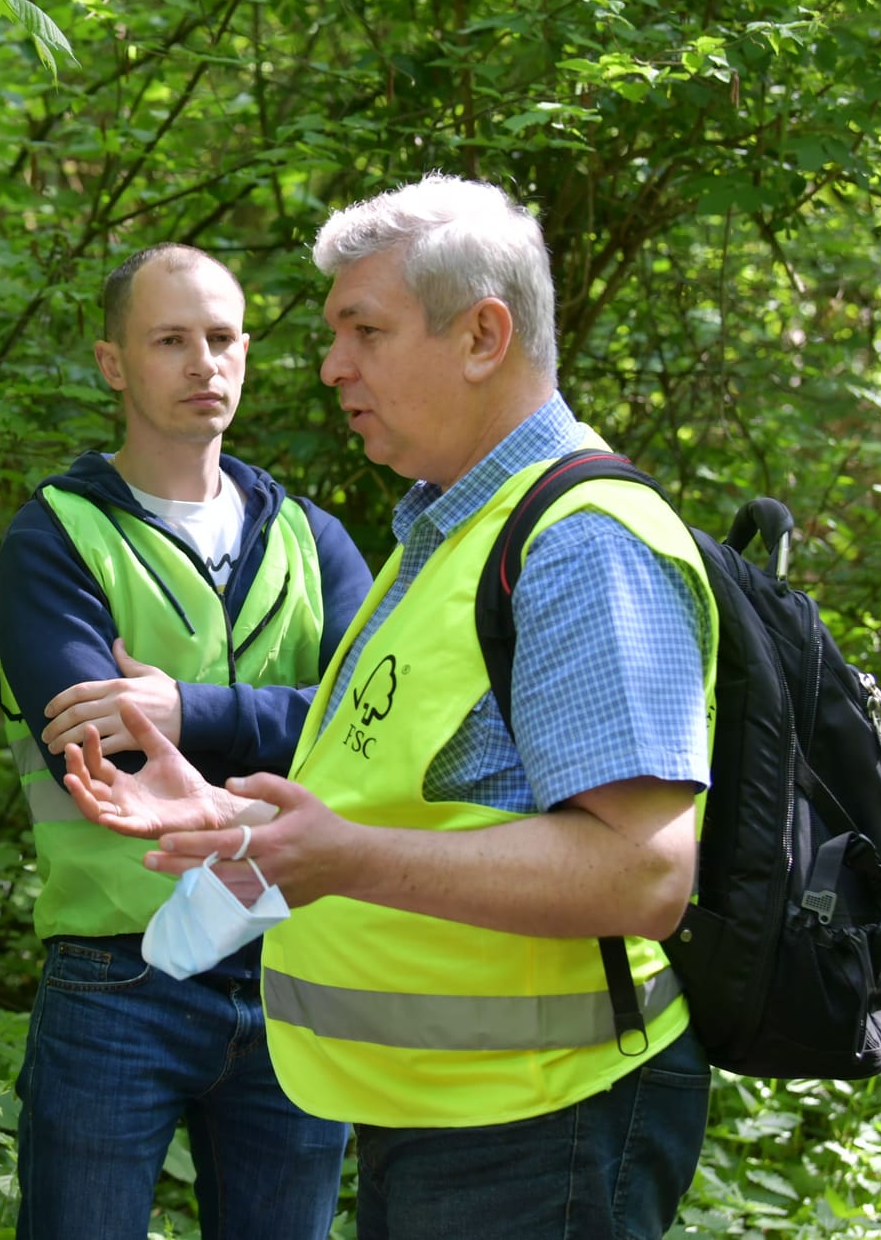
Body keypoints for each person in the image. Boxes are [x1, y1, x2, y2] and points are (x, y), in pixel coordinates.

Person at [63, 177, 719, 1240]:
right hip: (445, 1120)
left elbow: (640, 870)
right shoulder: (443, 535)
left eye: (362, 330)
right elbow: (415, 804)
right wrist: (238, 824)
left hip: (543, 1124)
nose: (329, 366)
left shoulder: (578, 545)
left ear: (480, 336)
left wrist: (344, 859)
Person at [0, 243, 369, 1238]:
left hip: (294, 963)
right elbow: (101, 746)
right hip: (121, 974)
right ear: (113, 362)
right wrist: (297, 729)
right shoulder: (55, 537)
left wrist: (180, 712)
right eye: (169, 340)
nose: (203, 363)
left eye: (220, 338)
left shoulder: (311, 538)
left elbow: (378, 729)